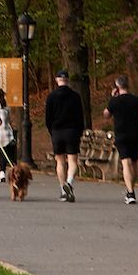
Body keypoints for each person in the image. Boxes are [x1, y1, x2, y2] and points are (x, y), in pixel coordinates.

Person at [43, 69, 84, 202]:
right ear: (68, 80)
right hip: (72, 131)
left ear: (56, 80)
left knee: (59, 161)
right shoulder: (75, 96)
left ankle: (62, 190)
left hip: (57, 131)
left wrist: (52, 130)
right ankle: (69, 183)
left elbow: (48, 117)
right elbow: (80, 116)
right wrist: (79, 131)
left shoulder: (51, 97)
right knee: (72, 161)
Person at [105, 75, 138, 205]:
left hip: (121, 134)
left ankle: (130, 192)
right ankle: (131, 190)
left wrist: (112, 97)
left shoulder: (114, 101)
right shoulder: (137, 100)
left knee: (126, 163)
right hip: (135, 134)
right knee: (133, 163)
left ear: (117, 87)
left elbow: (106, 114)